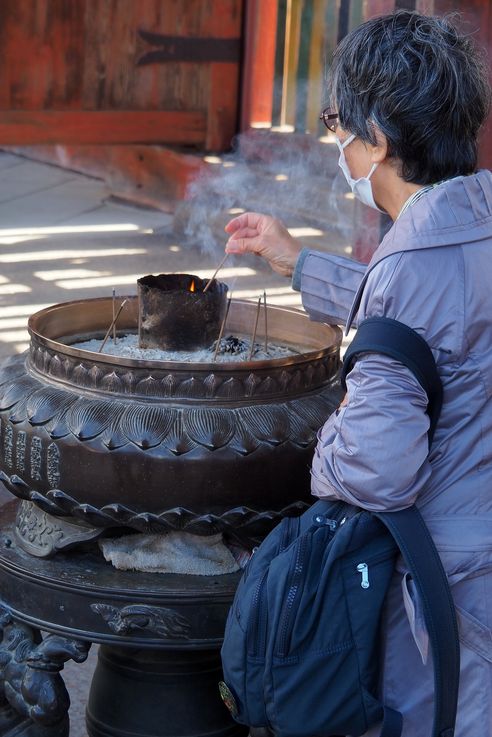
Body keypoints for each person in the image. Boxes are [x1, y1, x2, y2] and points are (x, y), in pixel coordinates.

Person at [224, 11, 492, 737]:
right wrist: (295, 261)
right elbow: (439, 329)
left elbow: (377, 470)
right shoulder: (476, 217)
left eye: (339, 123)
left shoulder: (409, 263)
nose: (337, 140)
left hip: (452, 579)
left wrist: (323, 441)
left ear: (378, 137)